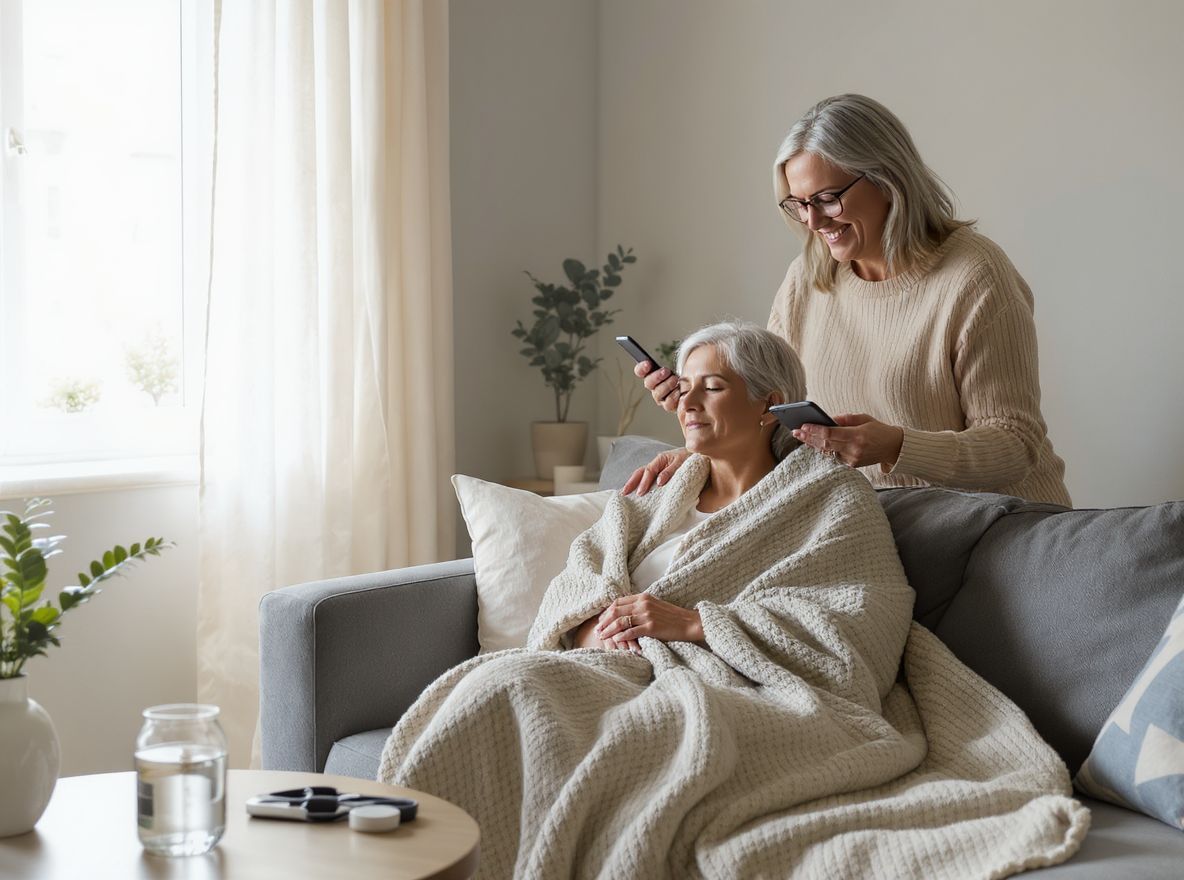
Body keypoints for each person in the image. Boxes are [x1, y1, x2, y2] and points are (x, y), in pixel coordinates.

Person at [377, 322, 1085, 879]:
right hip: (612, 666)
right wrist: (595, 629)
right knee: (494, 684)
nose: (684, 400)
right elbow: (583, 573)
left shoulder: (829, 495)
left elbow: (856, 626)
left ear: (768, 402)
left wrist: (690, 623)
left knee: (590, 720)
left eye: (710, 387)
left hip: (736, 688)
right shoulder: (658, 494)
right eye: (682, 387)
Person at [631, 93, 1072, 507]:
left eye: (826, 199)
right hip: (876, 523)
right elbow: (776, 424)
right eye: (798, 204)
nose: (813, 221)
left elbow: (1015, 443)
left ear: (888, 180)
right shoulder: (807, 278)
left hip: (997, 526)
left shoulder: (974, 276)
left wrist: (897, 446)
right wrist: (705, 419)